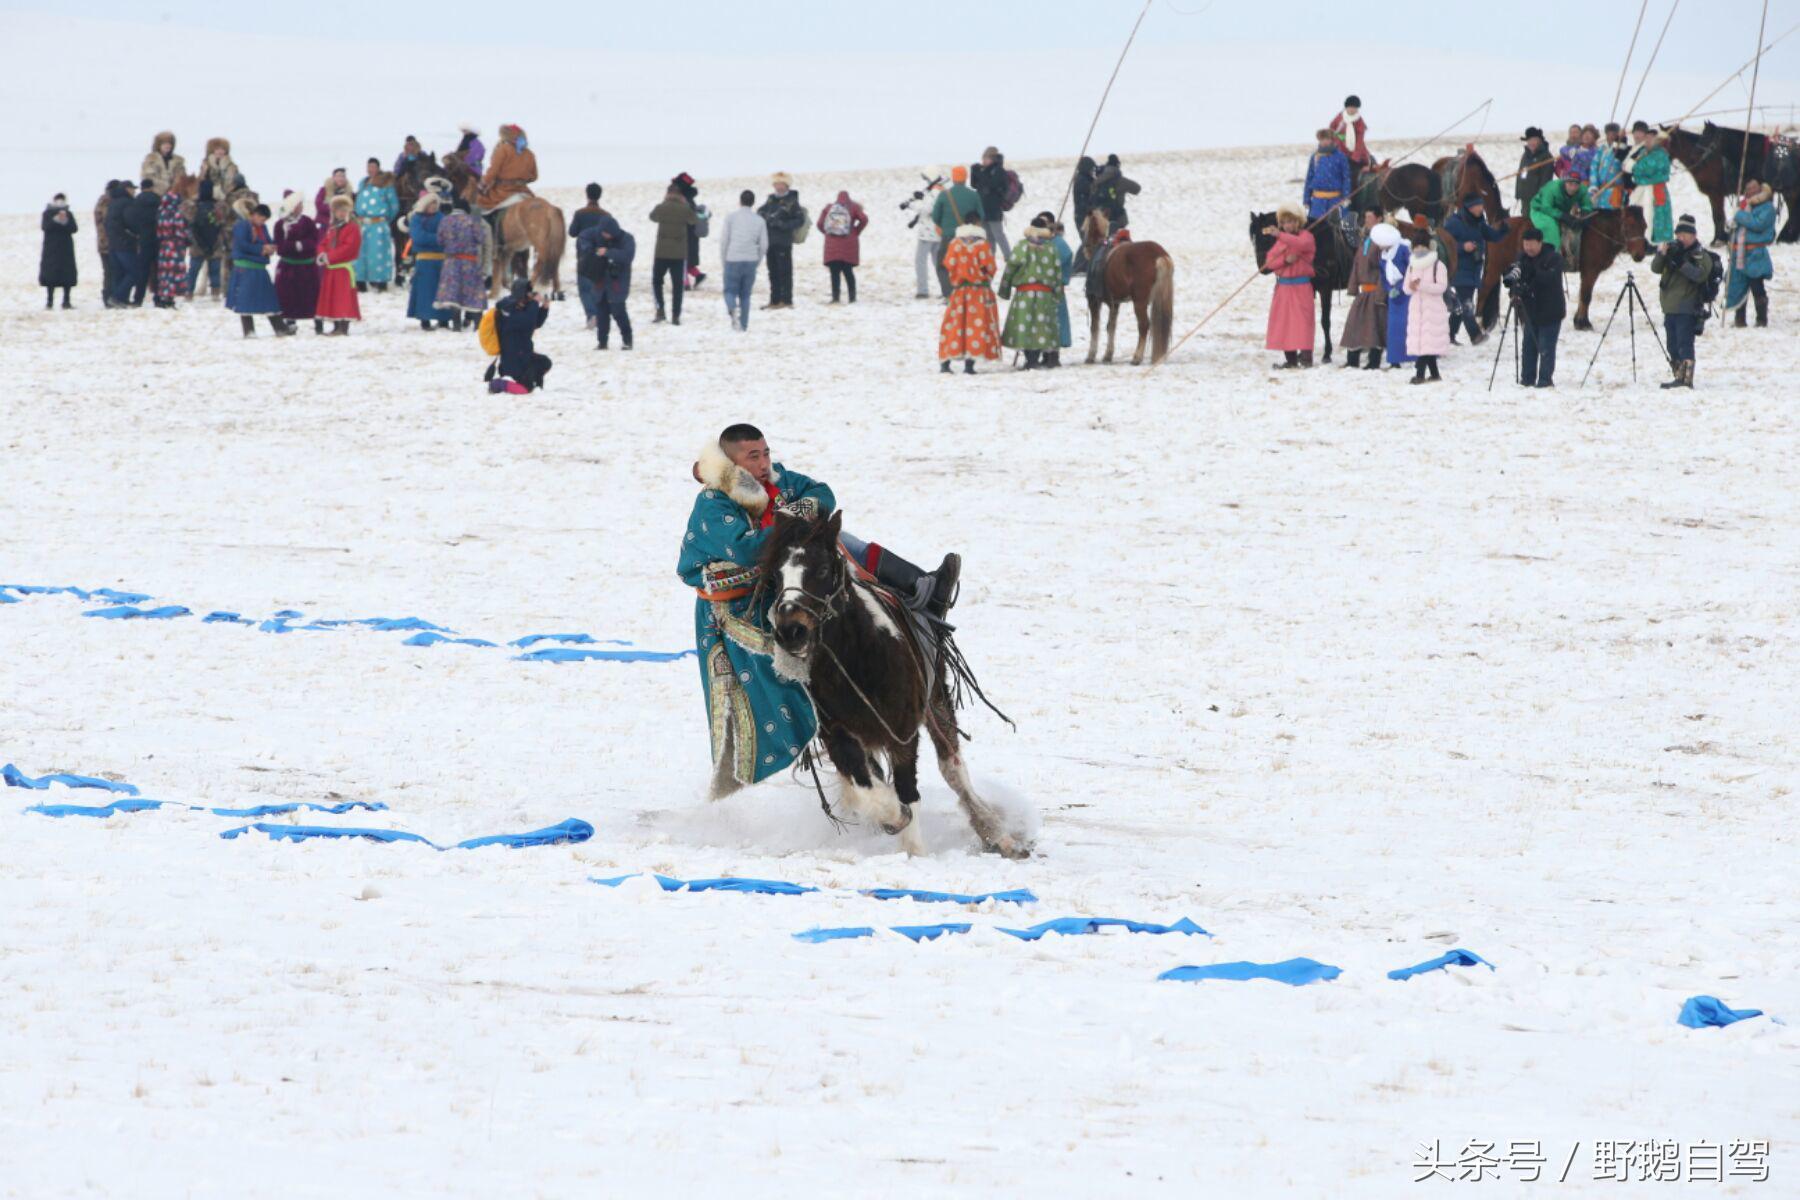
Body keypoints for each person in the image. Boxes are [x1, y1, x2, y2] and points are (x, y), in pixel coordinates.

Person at [676, 424, 961, 798]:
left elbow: (821, 492)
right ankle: (838, 728)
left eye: (765, 453)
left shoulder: (776, 479)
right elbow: (745, 550)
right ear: (732, 461)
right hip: (736, 607)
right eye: (753, 456)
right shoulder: (713, 503)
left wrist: (804, 512)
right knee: (805, 660)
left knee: (838, 544)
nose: (764, 463)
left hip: (779, 584)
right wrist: (794, 525)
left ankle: (923, 587)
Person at [1651, 214, 1713, 389]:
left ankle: (1686, 380)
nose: (1681, 238)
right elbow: (1655, 268)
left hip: (1687, 306)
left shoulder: (1699, 255)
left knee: (1684, 343)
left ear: (1693, 236)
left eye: (1685, 235)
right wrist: (1662, 255)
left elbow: (1700, 275)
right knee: (1672, 345)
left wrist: (1680, 263)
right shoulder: (1673, 250)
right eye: (1678, 234)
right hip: (1669, 306)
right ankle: (1678, 375)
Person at [998, 215, 1063, 368]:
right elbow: (1057, 273)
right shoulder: (1051, 248)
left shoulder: (1021, 246)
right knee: (1041, 326)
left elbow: (1011, 267)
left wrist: (1004, 290)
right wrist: (1057, 293)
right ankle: (1036, 357)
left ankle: (1030, 359)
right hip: (1045, 294)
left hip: (1024, 294)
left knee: (1025, 326)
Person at [1443, 193, 1506, 345]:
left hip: (1473, 270)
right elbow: (1445, 244)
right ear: (1470, 207)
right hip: (1459, 270)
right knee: (1466, 304)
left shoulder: (1479, 222)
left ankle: (1449, 335)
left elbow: (1493, 236)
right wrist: (1462, 247)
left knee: (1462, 303)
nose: (1481, 208)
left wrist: (1504, 228)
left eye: (1482, 205)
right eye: (1478, 205)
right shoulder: (1454, 223)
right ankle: (1475, 335)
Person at [938, 220, 1000, 373]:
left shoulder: (955, 245)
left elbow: (947, 264)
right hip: (979, 293)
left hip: (959, 292)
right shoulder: (983, 246)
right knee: (975, 326)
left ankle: (945, 362)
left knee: (955, 325)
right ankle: (969, 365)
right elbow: (990, 267)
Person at [1508, 225, 1565, 387]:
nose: (1529, 248)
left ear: (1540, 243)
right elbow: (1515, 278)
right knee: (1528, 348)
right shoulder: (1522, 258)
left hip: (1550, 311)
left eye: (1532, 244)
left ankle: (1545, 380)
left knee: (1546, 348)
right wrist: (1515, 288)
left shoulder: (1553, 258)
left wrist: (1532, 273)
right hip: (1530, 311)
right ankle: (1527, 379)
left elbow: (1550, 278)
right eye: (1526, 244)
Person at [1261, 201, 1316, 369]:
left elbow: (1302, 245)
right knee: (1285, 323)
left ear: (1298, 222)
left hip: (1301, 286)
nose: (1288, 225)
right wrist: (1285, 260)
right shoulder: (1281, 242)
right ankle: (1291, 359)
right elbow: (1269, 262)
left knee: (1303, 322)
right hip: (1283, 287)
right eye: (1284, 222)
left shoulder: (1306, 236)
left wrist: (1280, 235)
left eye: (1291, 221)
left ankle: (1306, 358)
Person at [225, 199, 288, 336]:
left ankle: (280, 328)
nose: (262, 221)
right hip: (245, 268)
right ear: (254, 214)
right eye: (261, 218)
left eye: (265, 219)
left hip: (259, 268)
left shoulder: (262, 228)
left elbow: (268, 240)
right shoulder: (242, 226)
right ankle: (249, 331)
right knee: (245, 300)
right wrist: (261, 249)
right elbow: (242, 245)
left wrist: (271, 247)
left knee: (269, 298)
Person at [577, 212, 635, 350]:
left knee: (618, 311)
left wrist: (608, 252)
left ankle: (627, 339)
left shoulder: (627, 239)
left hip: (618, 282)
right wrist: (590, 250)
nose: (603, 236)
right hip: (600, 282)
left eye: (606, 234)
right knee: (601, 313)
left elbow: (628, 256)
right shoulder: (597, 234)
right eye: (602, 233)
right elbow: (583, 236)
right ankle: (602, 342)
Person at [1725, 174, 1775, 327]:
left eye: (1753, 187)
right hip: (1739, 253)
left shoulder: (1767, 207)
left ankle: (1761, 319)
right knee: (1739, 286)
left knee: (1756, 286)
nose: (1750, 190)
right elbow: (1736, 225)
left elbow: (1758, 224)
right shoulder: (1743, 205)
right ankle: (1740, 319)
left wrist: (1739, 216)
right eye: (1748, 188)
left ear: (1760, 187)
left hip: (1755, 254)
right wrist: (1730, 225)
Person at [402, 192, 456, 330]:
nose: (433, 206)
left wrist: (432, 238)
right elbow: (418, 237)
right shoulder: (416, 219)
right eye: (431, 203)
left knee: (442, 292)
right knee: (424, 292)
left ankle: (443, 320)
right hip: (424, 261)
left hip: (441, 262)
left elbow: (448, 237)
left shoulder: (443, 218)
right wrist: (437, 238)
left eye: (435, 204)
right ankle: (424, 319)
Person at [1340, 211, 1387, 369]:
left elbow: (1384, 270)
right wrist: (1353, 287)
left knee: (1374, 326)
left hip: (1375, 291)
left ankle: (1374, 361)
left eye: (1369, 217)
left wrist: (1380, 293)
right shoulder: (1365, 241)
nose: (1365, 220)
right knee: (1354, 324)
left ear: (1379, 218)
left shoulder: (1382, 243)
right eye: (1365, 217)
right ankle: (1352, 359)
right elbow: (1357, 265)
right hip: (1363, 292)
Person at [1402, 227, 1449, 384]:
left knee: (1427, 344)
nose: (1419, 250)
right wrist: (1412, 286)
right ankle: (1435, 373)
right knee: (1424, 344)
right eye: (1416, 247)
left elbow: (1441, 287)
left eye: (1422, 246)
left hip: (1433, 310)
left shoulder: (1438, 265)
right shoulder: (1412, 266)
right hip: (1417, 310)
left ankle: (1420, 374)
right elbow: (1406, 289)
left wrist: (1422, 286)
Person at [434, 197, 488, 330]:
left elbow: (439, 241)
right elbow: (481, 238)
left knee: (453, 293)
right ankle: (477, 324)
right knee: (474, 292)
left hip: (451, 262)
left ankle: (456, 325)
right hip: (469, 261)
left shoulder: (444, 221)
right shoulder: (471, 221)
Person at [931, 165, 984, 297]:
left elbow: (935, 216)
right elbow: (981, 215)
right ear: (966, 178)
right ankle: (965, 291)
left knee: (943, 264)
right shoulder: (974, 195)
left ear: (953, 178)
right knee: (966, 264)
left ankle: (949, 294)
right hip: (969, 236)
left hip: (948, 236)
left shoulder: (944, 195)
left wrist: (944, 226)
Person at [272, 190, 320, 333]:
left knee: (312, 296)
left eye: (300, 204)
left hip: (308, 267)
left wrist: (302, 245)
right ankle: (290, 322)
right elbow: (280, 247)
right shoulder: (280, 225)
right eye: (296, 204)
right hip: (289, 267)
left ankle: (318, 323)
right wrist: (295, 246)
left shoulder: (308, 221)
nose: (299, 207)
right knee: (288, 296)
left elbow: (315, 241)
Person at [649, 184, 698, 323]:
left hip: (661, 253)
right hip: (679, 254)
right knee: (678, 286)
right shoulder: (684, 208)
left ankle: (660, 310)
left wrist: (665, 203)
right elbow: (693, 220)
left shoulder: (662, 207)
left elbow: (652, 217)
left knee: (657, 282)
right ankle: (676, 315)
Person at [314, 192, 362, 335]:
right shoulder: (332, 228)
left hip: (342, 269)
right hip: (332, 269)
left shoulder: (352, 228)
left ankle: (343, 326)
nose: (341, 213)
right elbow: (323, 243)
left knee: (343, 298)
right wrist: (322, 254)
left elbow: (349, 247)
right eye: (338, 210)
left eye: (344, 210)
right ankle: (336, 325)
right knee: (333, 297)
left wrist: (330, 256)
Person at [719, 189, 767, 331]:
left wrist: (724, 259)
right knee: (745, 295)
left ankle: (732, 308)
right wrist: (757, 260)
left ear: (740, 201)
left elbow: (724, 240)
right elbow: (764, 244)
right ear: (753, 202)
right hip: (751, 259)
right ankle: (743, 325)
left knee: (729, 291)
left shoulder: (731, 217)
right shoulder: (759, 220)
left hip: (733, 258)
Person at [757, 173, 804, 309]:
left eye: (781, 184)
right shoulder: (771, 199)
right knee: (772, 272)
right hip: (769, 241)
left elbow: (799, 220)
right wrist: (766, 216)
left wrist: (783, 225)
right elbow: (760, 211)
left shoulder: (792, 201)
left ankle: (787, 300)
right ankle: (774, 300)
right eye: (776, 184)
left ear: (786, 185)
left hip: (783, 241)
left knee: (785, 272)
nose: (778, 187)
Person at [493, 278, 551, 389]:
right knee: (525, 389)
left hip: (523, 353)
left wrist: (544, 309)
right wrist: (534, 303)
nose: (531, 296)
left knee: (545, 363)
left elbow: (535, 323)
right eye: (529, 293)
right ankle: (499, 384)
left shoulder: (518, 306)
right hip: (513, 359)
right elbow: (527, 321)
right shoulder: (508, 308)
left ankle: (534, 385)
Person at [1625, 120, 1673, 244]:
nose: (1648, 141)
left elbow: (1645, 169)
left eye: (1651, 138)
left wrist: (1636, 173)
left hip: (1656, 190)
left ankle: (1653, 242)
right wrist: (1636, 170)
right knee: (1639, 214)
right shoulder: (1642, 152)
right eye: (1647, 138)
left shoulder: (1661, 154)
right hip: (1641, 190)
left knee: (1652, 215)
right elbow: (1627, 166)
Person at [353, 160, 399, 293]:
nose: (371, 169)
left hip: (378, 224)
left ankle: (380, 281)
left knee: (378, 253)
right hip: (362, 224)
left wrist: (384, 219)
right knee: (361, 254)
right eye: (369, 167)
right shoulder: (363, 183)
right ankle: (360, 280)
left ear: (378, 168)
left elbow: (393, 205)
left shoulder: (385, 184)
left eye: (373, 167)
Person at [816, 189, 868, 304]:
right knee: (848, 273)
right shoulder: (854, 207)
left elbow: (819, 224)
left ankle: (835, 298)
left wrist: (828, 234)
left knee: (834, 273)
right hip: (849, 245)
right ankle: (852, 298)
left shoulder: (829, 208)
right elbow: (864, 219)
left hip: (832, 246)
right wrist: (855, 231)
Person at [568, 183, 608, 327]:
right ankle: (598, 314)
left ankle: (591, 315)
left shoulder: (580, 213)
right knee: (598, 288)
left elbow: (572, 232)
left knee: (584, 289)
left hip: (584, 256)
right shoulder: (605, 215)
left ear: (587, 195)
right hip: (600, 256)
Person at [1530, 170, 1592, 259]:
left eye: (1576, 184)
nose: (1573, 188)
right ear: (1565, 183)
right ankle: (1552, 257)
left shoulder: (1582, 189)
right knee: (1551, 229)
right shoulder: (1552, 188)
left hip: (1561, 211)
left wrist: (1585, 213)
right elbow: (1546, 207)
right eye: (1570, 184)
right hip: (1540, 210)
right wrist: (1562, 216)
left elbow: (1587, 204)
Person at [478, 123, 537, 215]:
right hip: (523, 190)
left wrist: (483, 183)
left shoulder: (503, 149)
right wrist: (520, 180)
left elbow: (493, 172)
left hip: (502, 192)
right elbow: (534, 176)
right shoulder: (529, 153)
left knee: (480, 204)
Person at [1377, 220, 1412, 369]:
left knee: (1408, 326)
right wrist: (1388, 288)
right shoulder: (1383, 256)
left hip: (1406, 294)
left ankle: (1412, 355)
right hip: (1393, 297)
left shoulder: (1403, 249)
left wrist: (1400, 286)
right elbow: (1383, 275)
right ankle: (1395, 359)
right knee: (1393, 329)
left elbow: (1411, 269)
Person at [902, 175, 944, 298]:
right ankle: (945, 289)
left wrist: (911, 204)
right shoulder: (939, 191)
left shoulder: (934, 193)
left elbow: (926, 209)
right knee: (938, 263)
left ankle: (923, 290)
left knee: (920, 261)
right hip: (937, 232)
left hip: (927, 233)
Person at [153, 176, 191, 308]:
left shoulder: (160, 212)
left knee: (164, 272)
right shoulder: (177, 213)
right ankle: (170, 297)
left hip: (164, 246)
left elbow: (158, 230)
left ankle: (163, 296)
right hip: (176, 246)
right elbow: (182, 230)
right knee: (174, 272)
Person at [122, 180, 161, 307]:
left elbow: (130, 219)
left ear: (142, 188)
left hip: (143, 239)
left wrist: (137, 232)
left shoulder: (136, 201)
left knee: (143, 270)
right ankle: (158, 297)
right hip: (158, 239)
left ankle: (138, 299)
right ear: (152, 187)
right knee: (158, 270)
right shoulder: (159, 200)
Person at [969, 147, 1013, 262]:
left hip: (994, 210)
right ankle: (990, 258)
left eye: (986, 158)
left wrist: (981, 173)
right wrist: (974, 172)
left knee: (998, 235)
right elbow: (974, 185)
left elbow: (990, 184)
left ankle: (1009, 257)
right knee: (988, 237)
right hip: (983, 210)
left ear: (992, 158)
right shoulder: (985, 171)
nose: (983, 161)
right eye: (983, 158)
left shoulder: (998, 171)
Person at [183, 178, 224, 298]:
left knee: (193, 271)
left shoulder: (192, 206)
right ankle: (215, 294)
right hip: (215, 245)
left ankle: (189, 293)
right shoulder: (219, 206)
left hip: (197, 246)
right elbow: (222, 224)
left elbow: (190, 225)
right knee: (215, 272)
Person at [1044, 211, 1075, 366]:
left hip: (1054, 288)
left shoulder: (1058, 244)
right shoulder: (1040, 242)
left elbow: (1066, 257)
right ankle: (1042, 354)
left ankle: (1053, 355)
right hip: (1042, 289)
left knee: (1055, 322)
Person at [1303, 128, 1352, 223]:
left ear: (1332, 140)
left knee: (1337, 227)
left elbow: (1346, 178)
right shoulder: (1315, 157)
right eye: (1322, 139)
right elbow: (1309, 178)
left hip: (1335, 200)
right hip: (1317, 202)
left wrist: (1346, 197)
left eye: (1327, 139)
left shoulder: (1341, 157)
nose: (1324, 142)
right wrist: (1306, 199)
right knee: (1316, 226)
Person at [39, 193, 78, 309]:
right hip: (51, 250)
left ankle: (66, 301)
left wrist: (65, 221)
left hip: (66, 249)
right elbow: (45, 227)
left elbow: (74, 228)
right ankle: (49, 301)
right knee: (50, 276)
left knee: (67, 275)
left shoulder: (69, 214)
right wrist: (56, 220)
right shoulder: (47, 213)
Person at [103, 180, 136, 307]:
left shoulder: (113, 203)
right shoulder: (127, 203)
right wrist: (133, 235)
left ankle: (120, 300)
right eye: (132, 188)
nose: (134, 191)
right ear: (127, 189)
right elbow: (131, 222)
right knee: (134, 272)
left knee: (119, 273)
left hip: (113, 243)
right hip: (125, 243)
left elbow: (107, 223)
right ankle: (117, 297)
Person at [1092, 154, 1140, 232]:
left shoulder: (1097, 181)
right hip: (1118, 218)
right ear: (1118, 166)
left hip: (1100, 218)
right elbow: (1137, 189)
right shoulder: (1120, 180)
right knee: (1119, 240)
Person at [1589, 123, 1626, 211]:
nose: (1611, 136)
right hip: (1601, 189)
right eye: (1609, 133)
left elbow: (1625, 166)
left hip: (1615, 188)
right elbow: (1594, 167)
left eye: (1614, 134)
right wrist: (1594, 185)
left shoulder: (1622, 149)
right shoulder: (1601, 149)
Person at [1517, 126, 1554, 210]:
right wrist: (1519, 193)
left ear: (1540, 141)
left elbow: (1546, 181)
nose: (1531, 143)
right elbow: (1520, 174)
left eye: (1534, 140)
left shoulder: (1546, 157)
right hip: (1525, 198)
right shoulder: (1525, 156)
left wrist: (1539, 197)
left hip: (1537, 199)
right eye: (1529, 140)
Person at [140, 132, 187, 197]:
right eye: (164, 143)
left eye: (170, 143)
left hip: (174, 195)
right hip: (155, 194)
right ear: (159, 145)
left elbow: (182, 176)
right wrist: (165, 186)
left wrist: (174, 188)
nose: (167, 146)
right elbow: (148, 177)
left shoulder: (178, 161)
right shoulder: (151, 159)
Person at [1329, 96, 1370, 168]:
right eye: (1350, 107)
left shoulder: (1360, 122)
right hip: (1340, 149)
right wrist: (1340, 139)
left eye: (1355, 108)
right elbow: (1331, 130)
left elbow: (1359, 141)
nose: (1352, 110)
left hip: (1355, 153)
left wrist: (1354, 158)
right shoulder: (1339, 118)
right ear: (1346, 107)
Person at [94, 183, 117, 307]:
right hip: (107, 243)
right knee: (109, 271)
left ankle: (108, 295)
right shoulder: (106, 204)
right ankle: (108, 296)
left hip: (103, 243)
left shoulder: (101, 203)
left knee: (108, 271)